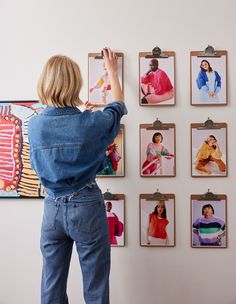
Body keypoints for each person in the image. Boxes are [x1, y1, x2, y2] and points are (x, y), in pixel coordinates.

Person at [28, 48, 127, 304]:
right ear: (76, 84)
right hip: (85, 207)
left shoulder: (35, 124)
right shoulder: (90, 123)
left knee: (51, 286)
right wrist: (113, 73)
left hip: (52, 208)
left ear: (45, 83)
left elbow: (62, 128)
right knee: (95, 288)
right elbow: (116, 108)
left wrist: (81, 112)